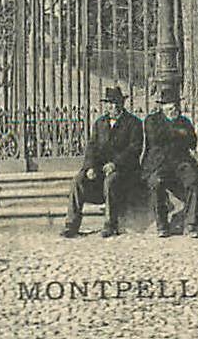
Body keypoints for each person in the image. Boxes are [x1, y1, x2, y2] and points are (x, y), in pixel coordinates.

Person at [61, 86, 144, 239]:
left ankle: (110, 224)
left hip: (125, 173)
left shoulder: (133, 123)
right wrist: (90, 167)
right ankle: (71, 225)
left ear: (122, 103)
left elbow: (134, 149)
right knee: (78, 180)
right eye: (109, 103)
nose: (111, 106)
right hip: (101, 172)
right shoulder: (100, 123)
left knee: (111, 180)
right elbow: (92, 147)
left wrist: (115, 164)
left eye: (115, 102)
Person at [142, 87, 198, 238]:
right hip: (159, 163)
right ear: (161, 106)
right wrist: (178, 132)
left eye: (175, 105)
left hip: (180, 162)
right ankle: (162, 225)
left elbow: (193, 142)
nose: (173, 108)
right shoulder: (152, 120)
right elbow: (156, 137)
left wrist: (180, 132)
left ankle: (190, 224)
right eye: (168, 105)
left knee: (193, 180)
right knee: (156, 183)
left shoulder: (184, 121)